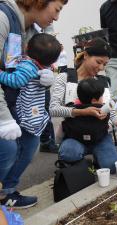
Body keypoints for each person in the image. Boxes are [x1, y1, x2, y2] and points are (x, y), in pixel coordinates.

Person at [0, 0, 68, 209]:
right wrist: (3, 119)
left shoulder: (30, 30)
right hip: (5, 102)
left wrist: (46, 76)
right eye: (56, 9)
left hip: (16, 101)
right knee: (9, 149)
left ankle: (7, 192)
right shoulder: (4, 18)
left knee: (31, 145)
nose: (56, 17)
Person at [50, 38, 117, 173]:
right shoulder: (65, 77)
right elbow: (53, 109)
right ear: (85, 55)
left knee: (112, 166)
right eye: (98, 62)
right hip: (74, 135)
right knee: (69, 154)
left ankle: (98, 158)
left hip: (100, 135)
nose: (101, 68)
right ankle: (83, 166)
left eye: (105, 64)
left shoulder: (103, 82)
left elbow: (111, 110)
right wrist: (82, 112)